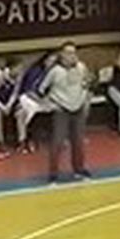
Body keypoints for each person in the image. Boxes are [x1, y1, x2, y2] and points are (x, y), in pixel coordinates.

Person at [40, 42, 93, 183]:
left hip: (78, 108)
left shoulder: (82, 67)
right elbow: (41, 89)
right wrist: (49, 104)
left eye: (74, 52)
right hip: (61, 109)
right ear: (62, 55)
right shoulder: (55, 71)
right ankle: (53, 173)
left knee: (78, 141)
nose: (72, 56)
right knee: (58, 142)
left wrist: (85, 99)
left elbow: (88, 83)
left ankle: (79, 169)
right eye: (68, 53)